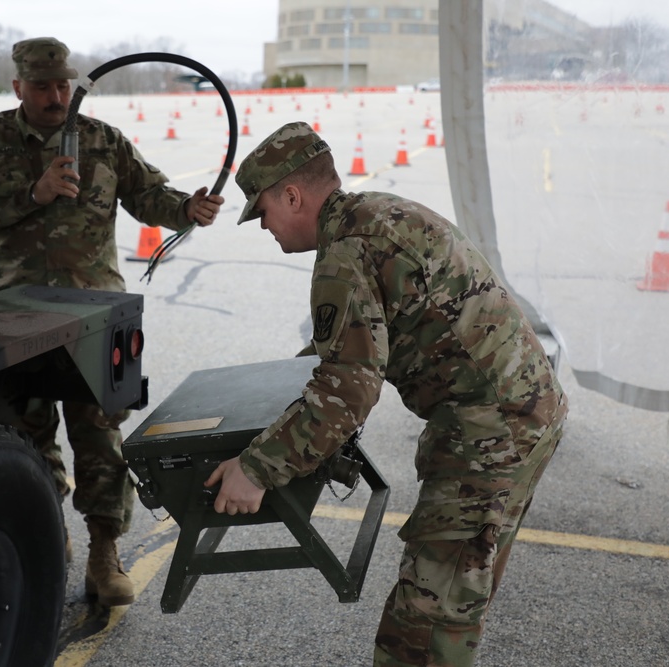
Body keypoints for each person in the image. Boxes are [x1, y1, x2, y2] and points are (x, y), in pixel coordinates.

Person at [204, 121, 567, 666]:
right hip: (520, 412)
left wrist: (256, 469)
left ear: (293, 195)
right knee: (456, 601)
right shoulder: (372, 214)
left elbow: (349, 390)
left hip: (491, 433)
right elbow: (350, 347)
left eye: (261, 212)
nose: (263, 227)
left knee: (423, 625)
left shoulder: (345, 250)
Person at [0, 37, 223, 607]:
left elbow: (149, 194)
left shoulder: (102, 139)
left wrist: (186, 210)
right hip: (10, 311)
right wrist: (32, 190)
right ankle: (45, 535)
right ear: (18, 86)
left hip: (93, 311)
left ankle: (104, 553)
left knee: (99, 432)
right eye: (42, 86)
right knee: (24, 432)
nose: (55, 96)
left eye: (63, 84)